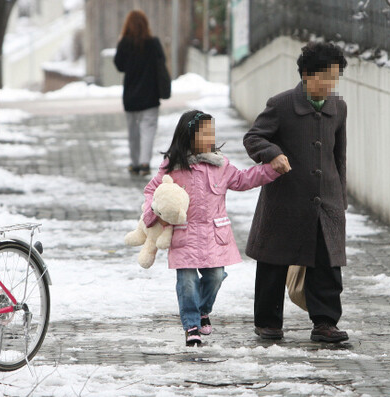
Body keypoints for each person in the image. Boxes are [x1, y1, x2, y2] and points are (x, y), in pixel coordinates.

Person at [142, 110, 282, 346]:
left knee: (216, 276)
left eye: (212, 133)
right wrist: (153, 213)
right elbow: (152, 192)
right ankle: (192, 326)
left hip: (214, 236)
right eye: (204, 133)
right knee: (186, 282)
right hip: (183, 235)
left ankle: (202, 310)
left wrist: (271, 170)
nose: (210, 137)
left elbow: (243, 179)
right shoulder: (173, 167)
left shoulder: (220, 164)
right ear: (189, 135)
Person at [244, 42, 349, 343]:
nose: (330, 85)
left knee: (327, 264)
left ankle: (325, 322)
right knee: (274, 261)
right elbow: (253, 137)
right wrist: (272, 153)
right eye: (325, 77)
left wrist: (340, 197)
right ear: (306, 74)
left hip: (325, 200)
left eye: (335, 78)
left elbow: (339, 155)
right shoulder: (281, 105)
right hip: (285, 199)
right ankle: (268, 322)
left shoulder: (338, 107)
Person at [114, 10, 167, 176]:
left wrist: (120, 43)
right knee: (148, 130)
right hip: (150, 96)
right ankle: (145, 163)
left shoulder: (125, 43)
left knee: (133, 132)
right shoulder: (153, 43)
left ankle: (135, 163)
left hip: (131, 97)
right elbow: (162, 62)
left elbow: (119, 65)